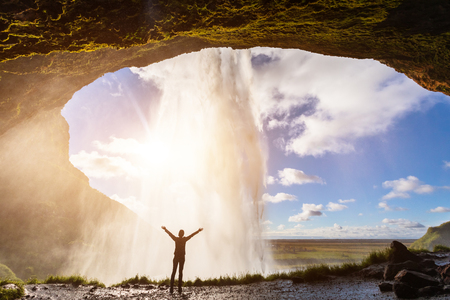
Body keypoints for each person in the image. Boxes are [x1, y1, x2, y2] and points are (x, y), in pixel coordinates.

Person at [161, 226, 203, 294]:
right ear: (183, 234)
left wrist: (165, 229)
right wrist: (198, 231)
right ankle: (179, 289)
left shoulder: (176, 239)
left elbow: (170, 234)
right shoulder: (184, 239)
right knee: (180, 272)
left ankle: (171, 288)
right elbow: (192, 235)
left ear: (179, 234)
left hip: (176, 257)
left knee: (174, 272)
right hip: (182, 257)